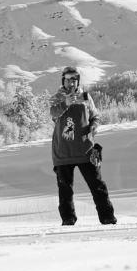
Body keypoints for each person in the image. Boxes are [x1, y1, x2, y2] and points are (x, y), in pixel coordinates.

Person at [49, 66, 116, 225]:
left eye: (75, 79)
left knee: (97, 185)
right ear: (63, 80)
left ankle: (107, 216)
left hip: (86, 149)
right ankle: (68, 218)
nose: (72, 82)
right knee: (65, 189)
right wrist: (65, 103)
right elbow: (53, 114)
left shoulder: (86, 96)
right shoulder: (56, 98)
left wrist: (93, 126)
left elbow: (95, 116)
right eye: (68, 79)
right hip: (63, 152)